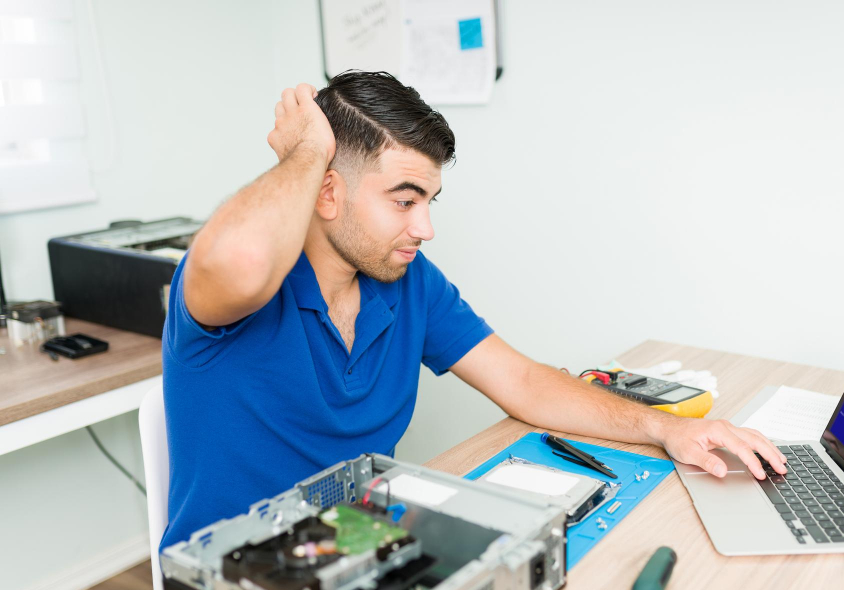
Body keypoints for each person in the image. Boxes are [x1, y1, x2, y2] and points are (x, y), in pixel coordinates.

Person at [160, 71, 786, 549]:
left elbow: (521, 380)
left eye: (430, 200)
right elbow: (241, 259)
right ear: (327, 191)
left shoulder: (406, 282)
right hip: (236, 574)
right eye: (404, 201)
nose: (425, 227)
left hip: (358, 545)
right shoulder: (237, 280)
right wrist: (304, 152)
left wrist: (666, 428)